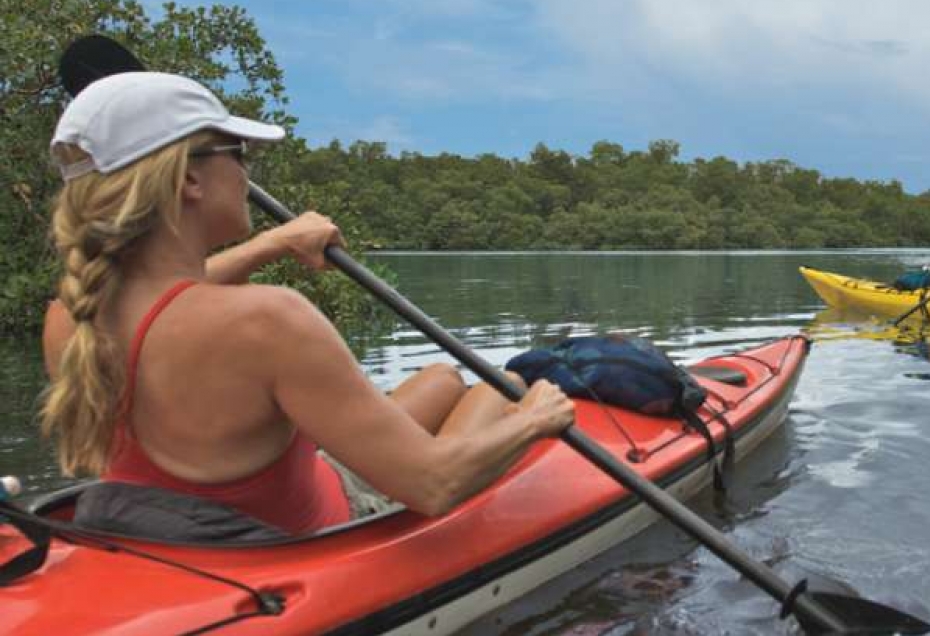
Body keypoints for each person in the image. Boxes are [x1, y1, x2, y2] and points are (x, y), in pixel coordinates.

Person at [40, 71, 575, 537]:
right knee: (502, 392)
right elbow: (433, 485)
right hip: (329, 519)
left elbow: (165, 300)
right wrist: (533, 420)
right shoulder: (268, 322)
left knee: (440, 378)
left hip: (200, 522)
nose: (247, 174)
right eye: (238, 154)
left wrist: (275, 242)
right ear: (189, 180)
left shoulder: (69, 316)